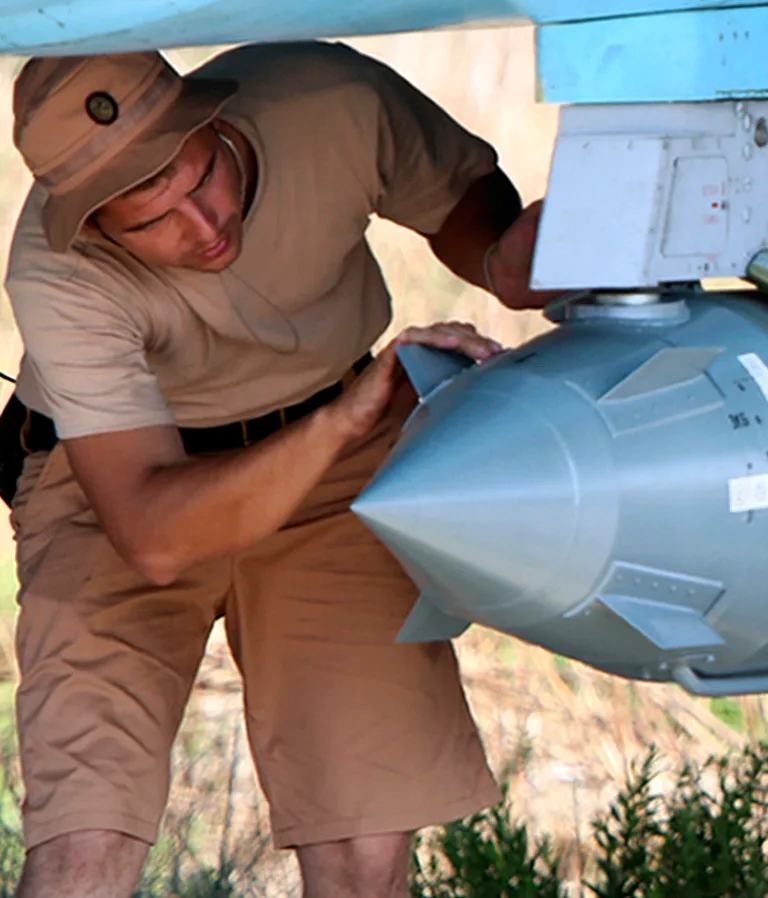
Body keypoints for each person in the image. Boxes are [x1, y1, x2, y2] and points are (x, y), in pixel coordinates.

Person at [1, 41, 553, 897]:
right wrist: (347, 418)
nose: (207, 224)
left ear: (211, 117)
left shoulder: (331, 99)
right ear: (90, 224)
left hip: (335, 473)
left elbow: (481, 229)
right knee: (84, 848)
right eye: (153, 221)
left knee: (363, 848)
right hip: (121, 487)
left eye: (203, 175)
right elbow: (152, 535)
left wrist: (517, 262)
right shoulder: (53, 268)